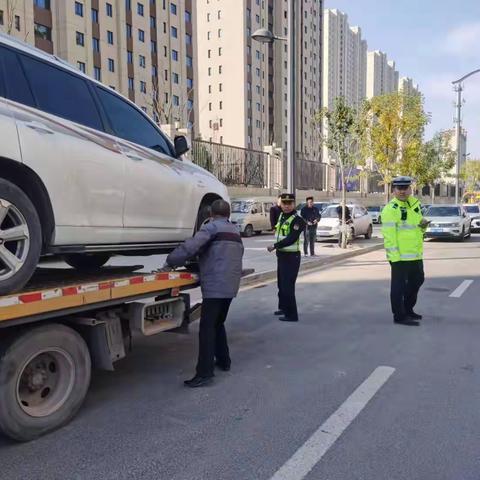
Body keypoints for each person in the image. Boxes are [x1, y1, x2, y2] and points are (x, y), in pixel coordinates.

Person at [163, 199, 244, 387]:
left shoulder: (211, 228)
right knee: (218, 323)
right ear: (228, 214)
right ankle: (224, 361)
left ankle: (204, 373)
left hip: (215, 286)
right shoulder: (235, 231)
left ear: (211, 214)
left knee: (207, 328)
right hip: (231, 285)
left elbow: (190, 247)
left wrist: (171, 260)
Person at [381, 176, 428, 326]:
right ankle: (399, 316)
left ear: (410, 189)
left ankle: (408, 309)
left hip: (415, 254)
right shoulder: (390, 209)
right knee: (398, 287)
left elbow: (417, 226)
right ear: (393, 190)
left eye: (405, 188)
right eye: (399, 188)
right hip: (399, 257)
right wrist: (395, 257)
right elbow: (389, 236)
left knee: (418, 280)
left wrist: (424, 225)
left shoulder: (414, 205)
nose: (402, 191)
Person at [267, 193, 305, 322]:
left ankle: (292, 315)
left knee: (288, 286)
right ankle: (283, 308)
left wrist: (275, 245)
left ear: (294, 204)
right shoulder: (282, 216)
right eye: (284, 203)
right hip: (282, 256)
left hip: (291, 257)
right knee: (281, 285)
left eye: (290, 203)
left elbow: (291, 238)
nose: (287, 206)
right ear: (281, 204)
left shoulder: (298, 220)